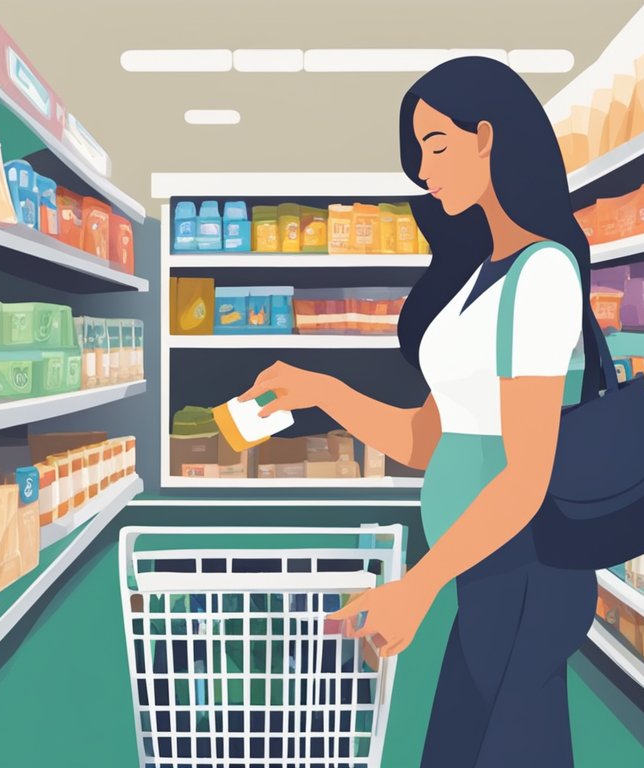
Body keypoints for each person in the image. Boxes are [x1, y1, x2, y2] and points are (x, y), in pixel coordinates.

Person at [237, 56, 598, 766]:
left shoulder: (544, 274)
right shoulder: (477, 278)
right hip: (484, 572)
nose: (423, 171)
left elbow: (526, 478)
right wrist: (323, 391)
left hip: (527, 571)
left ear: (488, 138)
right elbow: (427, 438)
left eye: (436, 145)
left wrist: (417, 585)